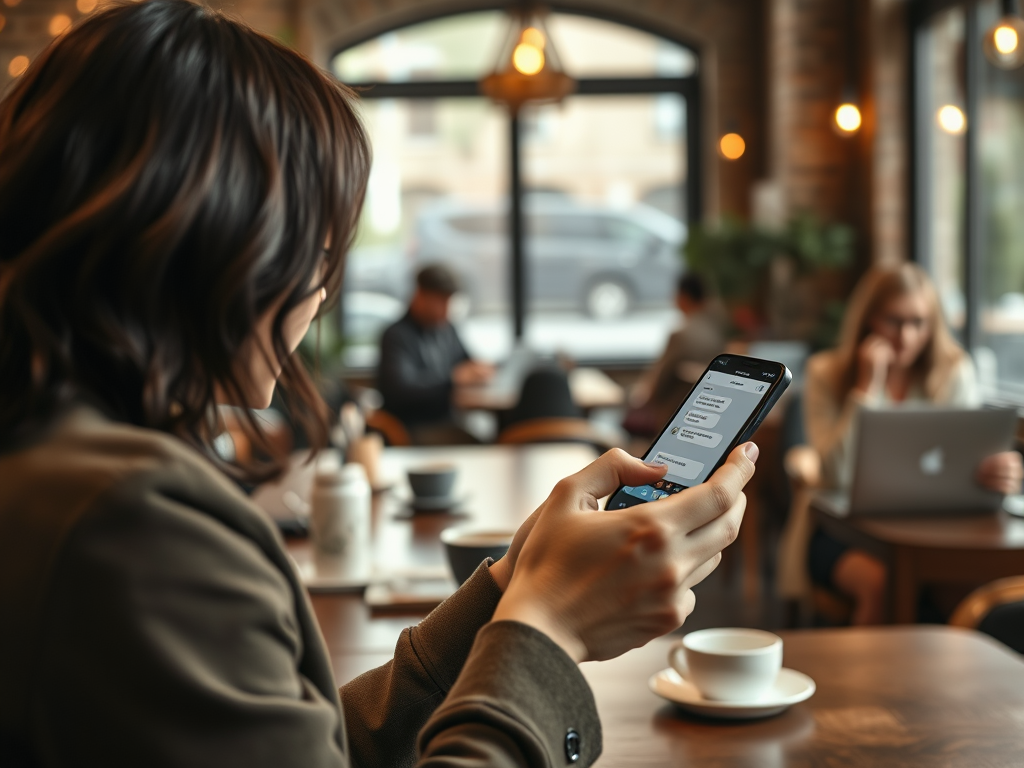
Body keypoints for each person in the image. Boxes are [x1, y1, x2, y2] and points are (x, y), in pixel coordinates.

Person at [0, 3, 757, 766]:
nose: (321, 289)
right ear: (216, 235)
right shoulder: (130, 524)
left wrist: (511, 588)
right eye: (317, 246)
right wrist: (549, 627)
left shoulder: (53, 465)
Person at [802, 263, 1023, 625]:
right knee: (880, 583)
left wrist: (997, 472)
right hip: (844, 532)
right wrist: (865, 388)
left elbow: (961, 463)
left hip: (936, 536)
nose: (905, 336)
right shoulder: (826, 372)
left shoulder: (953, 372)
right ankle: (874, 684)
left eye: (918, 322)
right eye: (894, 320)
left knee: (973, 590)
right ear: (871, 318)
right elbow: (835, 472)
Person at [376, 263, 494, 442]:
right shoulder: (396, 335)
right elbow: (401, 390)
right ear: (420, 295)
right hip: (414, 426)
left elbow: (467, 362)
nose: (447, 310)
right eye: (441, 301)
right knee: (480, 442)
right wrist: (453, 379)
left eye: (450, 302)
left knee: (489, 435)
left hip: (448, 419)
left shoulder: (446, 329)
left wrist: (479, 370)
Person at [625, 272, 726, 434]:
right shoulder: (717, 333)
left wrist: (636, 398)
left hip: (671, 414)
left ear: (682, 297)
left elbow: (658, 381)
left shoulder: (681, 335)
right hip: (703, 413)